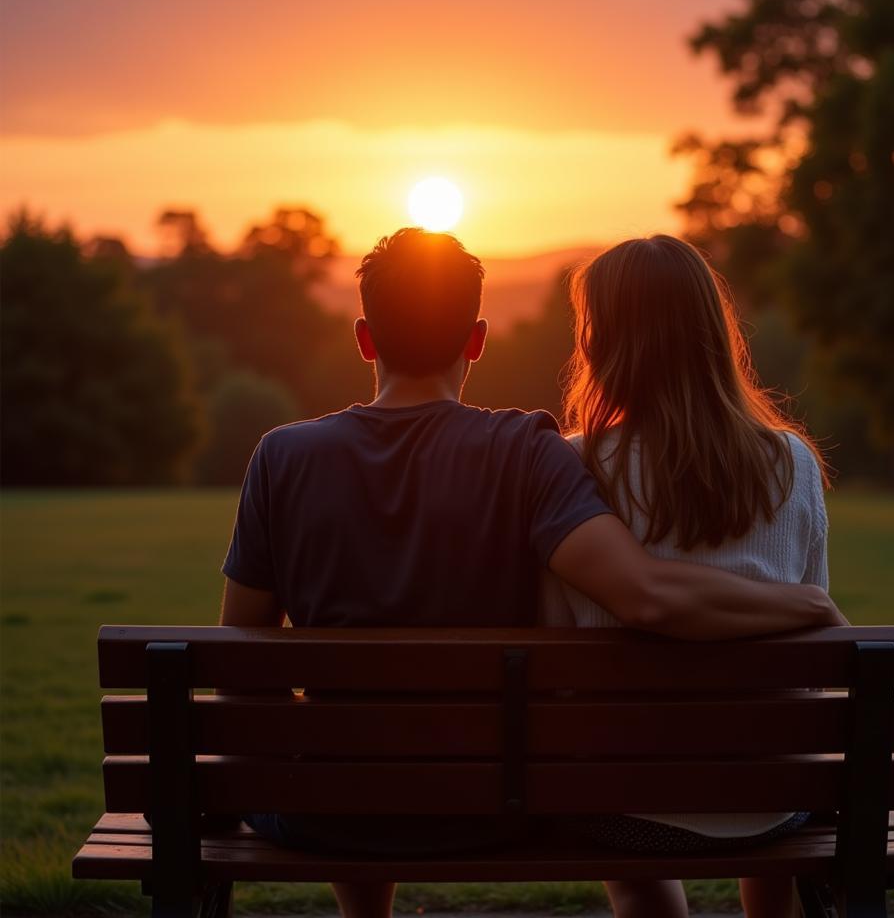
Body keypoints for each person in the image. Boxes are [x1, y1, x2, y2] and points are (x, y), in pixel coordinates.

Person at [219, 227, 845, 918]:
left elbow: (240, 660)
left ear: (365, 338)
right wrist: (805, 605)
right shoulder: (527, 451)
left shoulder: (281, 457)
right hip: (496, 804)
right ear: (477, 339)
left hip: (333, 811)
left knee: (351, 769)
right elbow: (651, 597)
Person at [541, 234, 833, 918]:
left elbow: (552, 641)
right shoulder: (792, 464)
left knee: (628, 836)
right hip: (772, 796)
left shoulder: (573, 466)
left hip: (625, 801)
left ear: (603, 341)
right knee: (769, 792)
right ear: (711, 333)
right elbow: (811, 653)